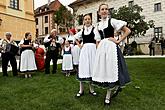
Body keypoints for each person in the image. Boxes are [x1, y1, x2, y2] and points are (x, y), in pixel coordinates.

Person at [92, 4, 131, 105]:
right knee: (105, 71)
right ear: (99, 12)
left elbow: (127, 31)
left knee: (111, 70)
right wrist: (98, 53)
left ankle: (108, 96)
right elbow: (97, 40)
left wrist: (118, 41)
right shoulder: (97, 26)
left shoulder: (112, 21)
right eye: (102, 9)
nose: (104, 11)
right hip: (102, 49)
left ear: (108, 11)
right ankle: (115, 87)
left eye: (106, 9)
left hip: (111, 48)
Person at [74, 14, 101, 97]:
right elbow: (75, 38)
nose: (87, 20)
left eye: (89, 19)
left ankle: (91, 90)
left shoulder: (94, 29)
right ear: (83, 21)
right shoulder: (82, 31)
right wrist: (80, 45)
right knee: (83, 68)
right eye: (85, 19)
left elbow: (97, 40)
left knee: (91, 69)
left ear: (91, 20)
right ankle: (81, 90)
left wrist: (97, 50)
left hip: (92, 50)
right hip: (84, 50)